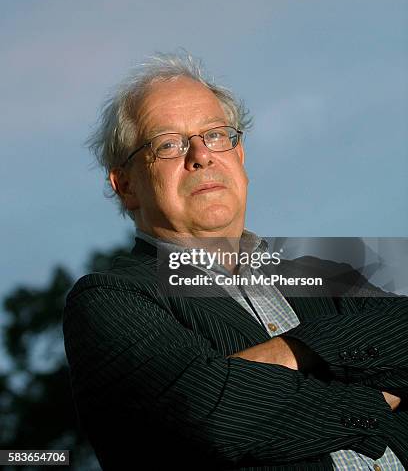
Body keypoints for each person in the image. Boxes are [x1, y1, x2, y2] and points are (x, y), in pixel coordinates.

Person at [63, 52, 408, 470]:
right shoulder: (108, 299)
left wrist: (278, 360)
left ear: (239, 157)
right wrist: (369, 393)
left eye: (215, 135)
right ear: (126, 185)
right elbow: (215, 416)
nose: (201, 155)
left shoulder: (322, 269)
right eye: (168, 144)